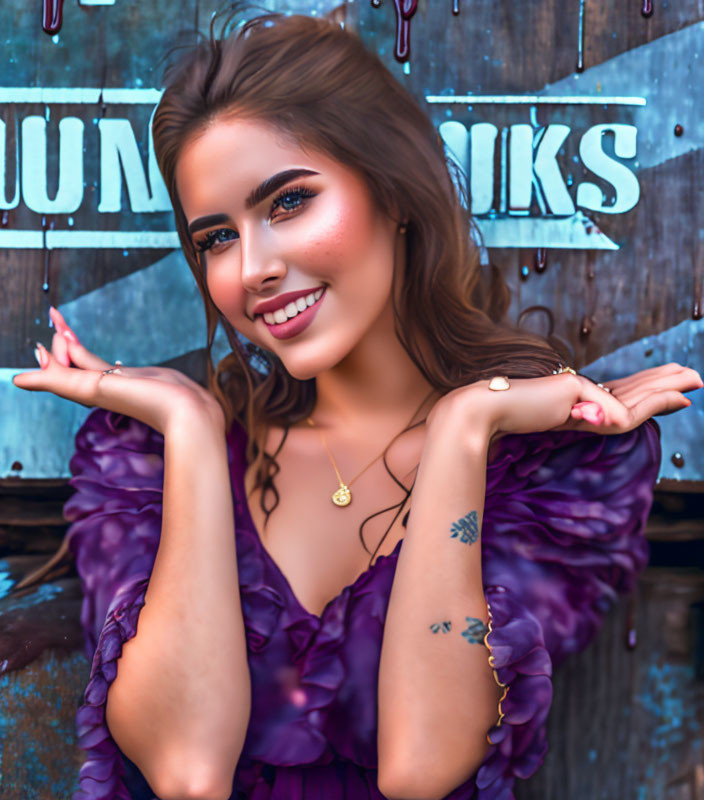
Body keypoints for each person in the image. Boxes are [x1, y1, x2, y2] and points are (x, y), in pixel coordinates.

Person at [11, 7, 701, 800]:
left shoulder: (561, 466)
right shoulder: (139, 459)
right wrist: (194, 433)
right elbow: (186, 769)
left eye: (288, 202)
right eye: (217, 239)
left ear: (394, 191)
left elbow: (421, 766)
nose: (255, 269)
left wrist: (461, 429)